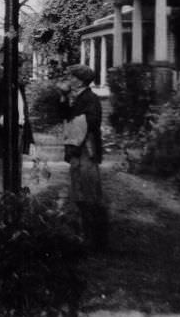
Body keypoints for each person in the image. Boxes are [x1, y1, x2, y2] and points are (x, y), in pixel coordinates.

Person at [57, 64, 108, 250]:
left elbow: (91, 123)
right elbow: (63, 116)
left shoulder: (90, 99)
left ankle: (96, 238)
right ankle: (85, 235)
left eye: (71, 77)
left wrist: (73, 124)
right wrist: (63, 97)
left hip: (86, 149)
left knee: (89, 192)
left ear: (80, 80)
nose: (69, 80)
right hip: (77, 149)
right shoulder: (77, 98)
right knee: (79, 191)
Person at [0, 75, 34, 195]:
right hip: (2, 136)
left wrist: (30, 140)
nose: (19, 71)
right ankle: (3, 204)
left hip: (18, 134)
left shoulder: (20, 87)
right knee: (2, 172)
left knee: (15, 171)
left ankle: (14, 201)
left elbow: (25, 115)